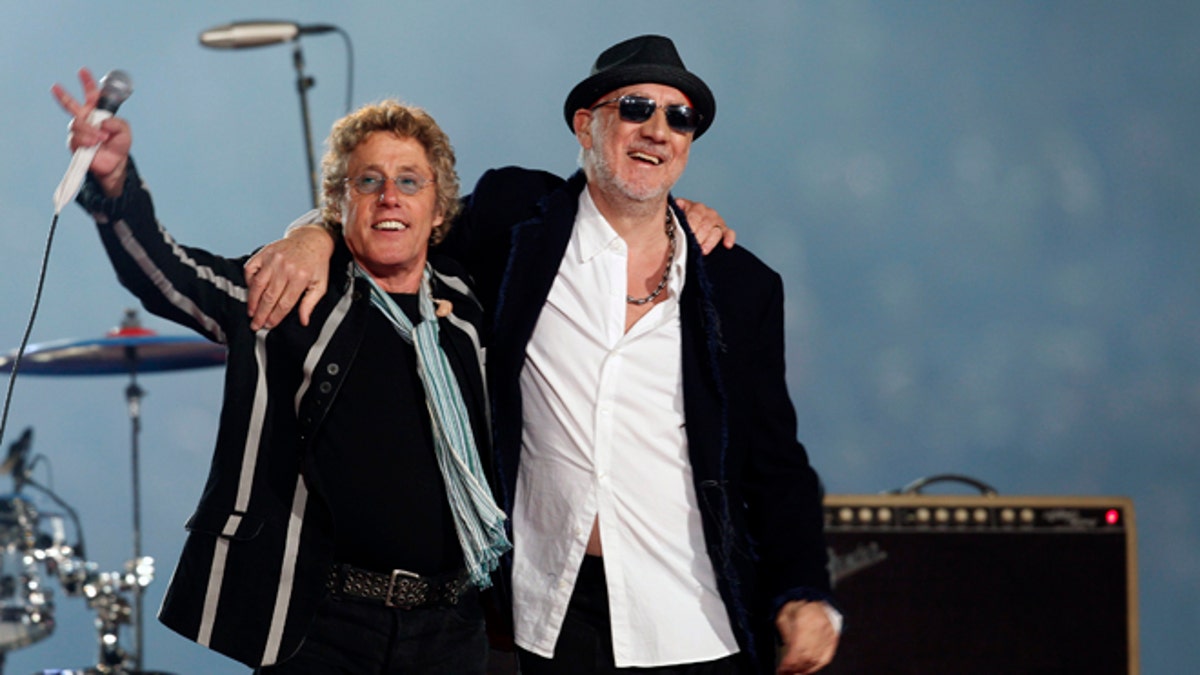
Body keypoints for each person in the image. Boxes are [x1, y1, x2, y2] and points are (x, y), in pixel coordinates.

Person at [248, 34, 840, 675]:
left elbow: (776, 461)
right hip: (547, 614)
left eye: (680, 117)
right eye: (636, 107)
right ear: (587, 125)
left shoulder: (739, 285)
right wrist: (312, 232)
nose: (658, 130)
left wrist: (805, 590)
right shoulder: (514, 220)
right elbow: (396, 225)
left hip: (691, 618)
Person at [52, 69, 511, 673]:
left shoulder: (471, 302)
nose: (389, 197)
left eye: (409, 181)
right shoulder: (293, 289)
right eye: (368, 181)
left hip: (454, 623)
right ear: (339, 202)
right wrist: (114, 184)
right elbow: (167, 275)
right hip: (325, 626)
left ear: (438, 204)